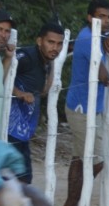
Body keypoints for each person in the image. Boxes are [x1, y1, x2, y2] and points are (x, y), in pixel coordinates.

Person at [60, 0, 109, 206]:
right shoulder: (88, 39)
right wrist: (106, 40)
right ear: (89, 18)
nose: (106, 21)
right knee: (95, 160)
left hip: (91, 107)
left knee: (81, 158)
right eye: (101, 16)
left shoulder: (99, 35)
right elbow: (104, 77)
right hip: (81, 107)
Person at [8, 21, 66, 184]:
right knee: (17, 179)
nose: (55, 48)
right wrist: (19, 93)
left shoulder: (45, 61)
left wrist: (52, 64)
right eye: (51, 42)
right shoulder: (25, 57)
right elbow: (1, 74)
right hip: (9, 128)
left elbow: (43, 91)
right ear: (39, 41)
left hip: (23, 130)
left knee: (24, 179)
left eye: (59, 44)